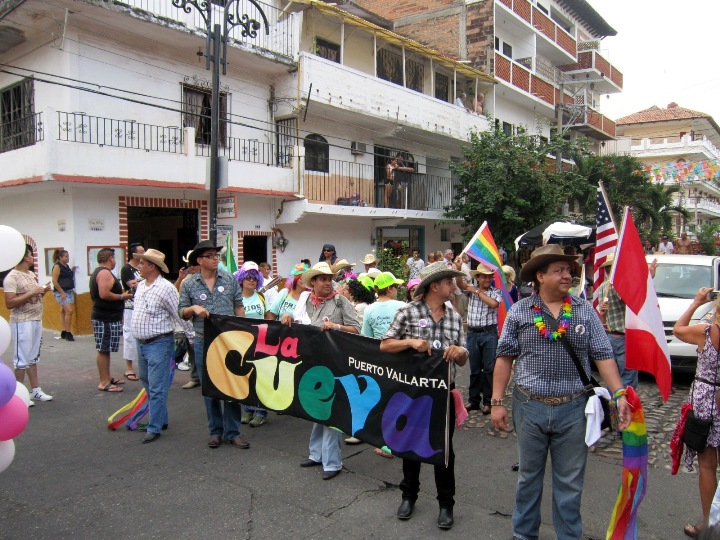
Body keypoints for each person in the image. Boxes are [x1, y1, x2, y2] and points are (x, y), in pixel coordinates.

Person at [491, 244, 630, 540]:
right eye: (560, 270)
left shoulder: (584, 311)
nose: (568, 275)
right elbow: (504, 357)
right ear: (540, 276)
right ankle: (524, 535)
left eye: (569, 270)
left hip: (574, 409)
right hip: (529, 405)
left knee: (570, 483)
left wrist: (619, 394)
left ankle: (569, 536)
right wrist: (496, 402)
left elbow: (604, 356)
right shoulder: (519, 311)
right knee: (529, 478)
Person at [380, 261, 468, 529]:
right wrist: (410, 342)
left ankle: (446, 504)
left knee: (444, 451)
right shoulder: (407, 312)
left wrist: (460, 353)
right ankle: (408, 496)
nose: (453, 286)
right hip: (412, 393)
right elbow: (384, 344)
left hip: (443, 397)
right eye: (449, 282)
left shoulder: (454, 316)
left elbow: (464, 356)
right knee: (410, 445)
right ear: (434, 286)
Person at [280, 262, 360, 480]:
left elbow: (357, 329)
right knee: (316, 409)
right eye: (322, 279)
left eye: (329, 279)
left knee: (331, 410)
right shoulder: (304, 300)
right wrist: (286, 318)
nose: (327, 282)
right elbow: (295, 323)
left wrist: (337, 327)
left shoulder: (340, 301)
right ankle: (316, 454)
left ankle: (332, 463)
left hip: (335, 363)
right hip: (310, 362)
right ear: (313, 282)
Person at [178, 240, 248, 450]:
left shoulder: (229, 279)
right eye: (210, 255)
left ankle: (233, 432)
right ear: (199, 260)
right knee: (210, 387)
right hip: (203, 340)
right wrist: (194, 309)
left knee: (233, 385)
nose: (216, 258)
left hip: (229, 340)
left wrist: (243, 332)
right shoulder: (189, 284)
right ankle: (215, 431)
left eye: (216, 255)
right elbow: (181, 310)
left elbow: (238, 306)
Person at [129, 249, 193, 443]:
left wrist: (192, 337)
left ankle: (154, 426)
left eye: (142, 263)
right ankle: (161, 418)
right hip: (142, 342)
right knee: (147, 381)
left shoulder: (166, 288)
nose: (139, 266)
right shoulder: (141, 286)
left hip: (159, 342)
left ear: (152, 267)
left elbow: (178, 314)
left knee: (157, 386)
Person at [673, 287, 720, 538]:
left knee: (708, 466)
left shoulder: (707, 331)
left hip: (707, 399)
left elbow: (678, 329)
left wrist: (697, 302)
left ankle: (709, 523)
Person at [359, 271, 406, 454]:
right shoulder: (402, 306)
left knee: (381, 399)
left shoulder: (370, 309)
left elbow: (366, 338)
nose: (397, 290)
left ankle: (382, 443)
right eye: (396, 287)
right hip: (401, 356)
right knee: (399, 399)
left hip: (379, 359)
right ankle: (398, 439)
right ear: (390, 288)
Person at [4, 244, 53, 404]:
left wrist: (42, 291)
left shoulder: (31, 274)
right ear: (26, 257)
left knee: (33, 358)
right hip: (21, 322)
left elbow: (34, 298)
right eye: (32, 255)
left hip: (36, 319)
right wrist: (32, 292)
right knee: (21, 360)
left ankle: (35, 390)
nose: (34, 258)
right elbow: (10, 303)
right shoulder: (12, 277)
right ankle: (18, 394)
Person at [597, 253, 653, 390]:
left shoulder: (603, 287)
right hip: (623, 339)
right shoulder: (619, 286)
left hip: (610, 336)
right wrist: (648, 279)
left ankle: (612, 407)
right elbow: (633, 299)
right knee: (627, 379)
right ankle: (621, 408)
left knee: (613, 378)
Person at [455, 263, 501, 415]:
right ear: (478, 278)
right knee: (474, 369)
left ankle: (487, 402)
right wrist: (458, 268)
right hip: (473, 333)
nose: (487, 279)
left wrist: (478, 292)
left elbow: (494, 304)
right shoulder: (470, 291)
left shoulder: (496, 292)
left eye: (489, 276)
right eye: (484, 276)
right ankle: (474, 400)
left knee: (488, 369)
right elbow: (460, 284)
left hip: (489, 333)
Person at [90, 248, 133, 393]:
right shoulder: (104, 273)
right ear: (111, 259)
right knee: (103, 349)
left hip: (108, 316)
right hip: (105, 317)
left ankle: (107, 377)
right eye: (114, 258)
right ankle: (103, 382)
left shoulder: (102, 272)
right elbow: (104, 293)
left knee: (106, 348)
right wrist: (122, 297)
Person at [234, 261, 269, 428]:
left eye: (254, 278)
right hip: (242, 342)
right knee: (245, 376)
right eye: (248, 278)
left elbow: (270, 317)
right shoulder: (236, 298)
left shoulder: (261, 297)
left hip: (261, 341)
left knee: (260, 378)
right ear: (241, 279)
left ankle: (261, 412)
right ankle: (247, 409)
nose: (251, 281)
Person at [120, 243, 145, 382]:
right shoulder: (126, 269)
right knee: (129, 335)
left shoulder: (143, 267)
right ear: (134, 255)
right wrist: (145, 278)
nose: (144, 253)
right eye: (141, 251)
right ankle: (129, 367)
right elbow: (132, 285)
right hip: (130, 306)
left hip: (142, 305)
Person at [51, 249, 75, 341]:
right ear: (60, 257)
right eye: (66, 256)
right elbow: (54, 281)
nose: (68, 258)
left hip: (68, 290)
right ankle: (69, 333)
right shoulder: (57, 266)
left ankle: (64, 331)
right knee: (69, 311)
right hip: (61, 292)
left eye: (68, 256)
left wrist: (72, 271)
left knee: (63, 311)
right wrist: (62, 292)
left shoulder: (66, 266)